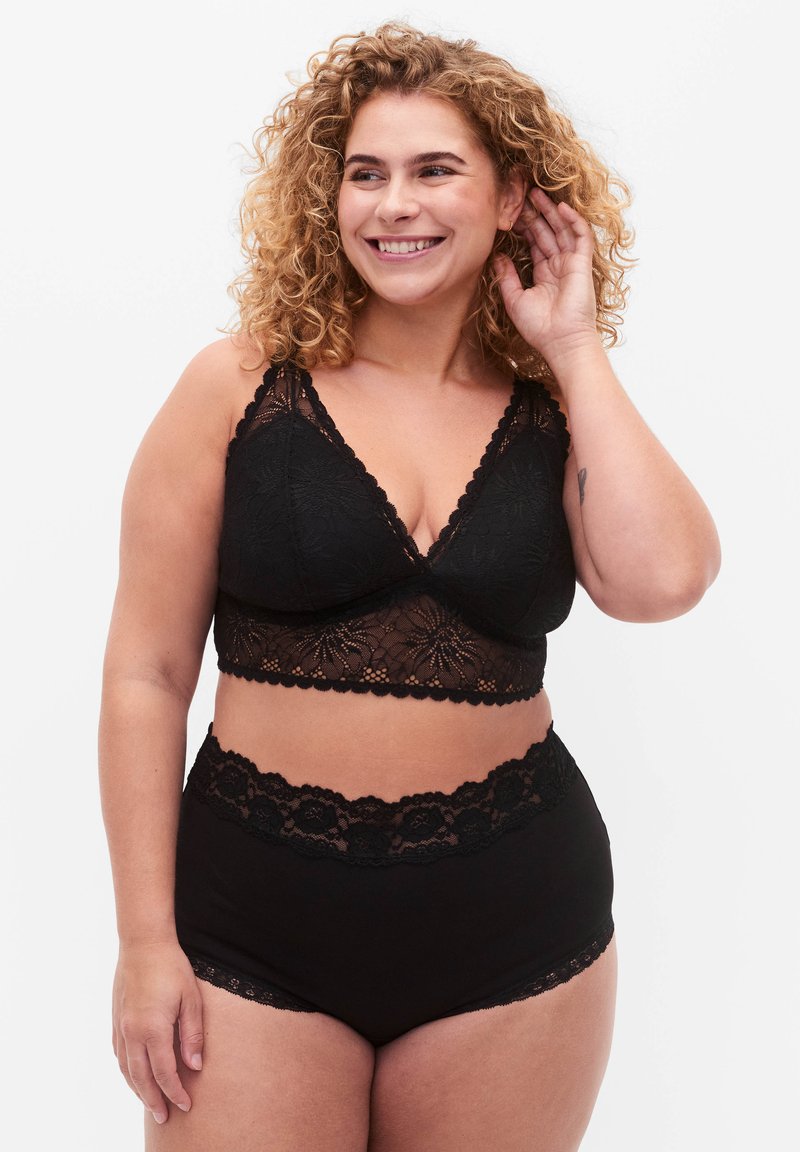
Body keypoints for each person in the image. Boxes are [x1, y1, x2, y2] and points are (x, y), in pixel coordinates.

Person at [99, 21, 721, 1152]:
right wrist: (145, 942)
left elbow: (663, 583)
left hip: (517, 923)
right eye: (365, 173)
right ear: (328, 195)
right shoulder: (237, 386)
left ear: (510, 197)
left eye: (435, 171)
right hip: (251, 922)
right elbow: (145, 674)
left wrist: (576, 349)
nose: (395, 205)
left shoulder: (553, 410)